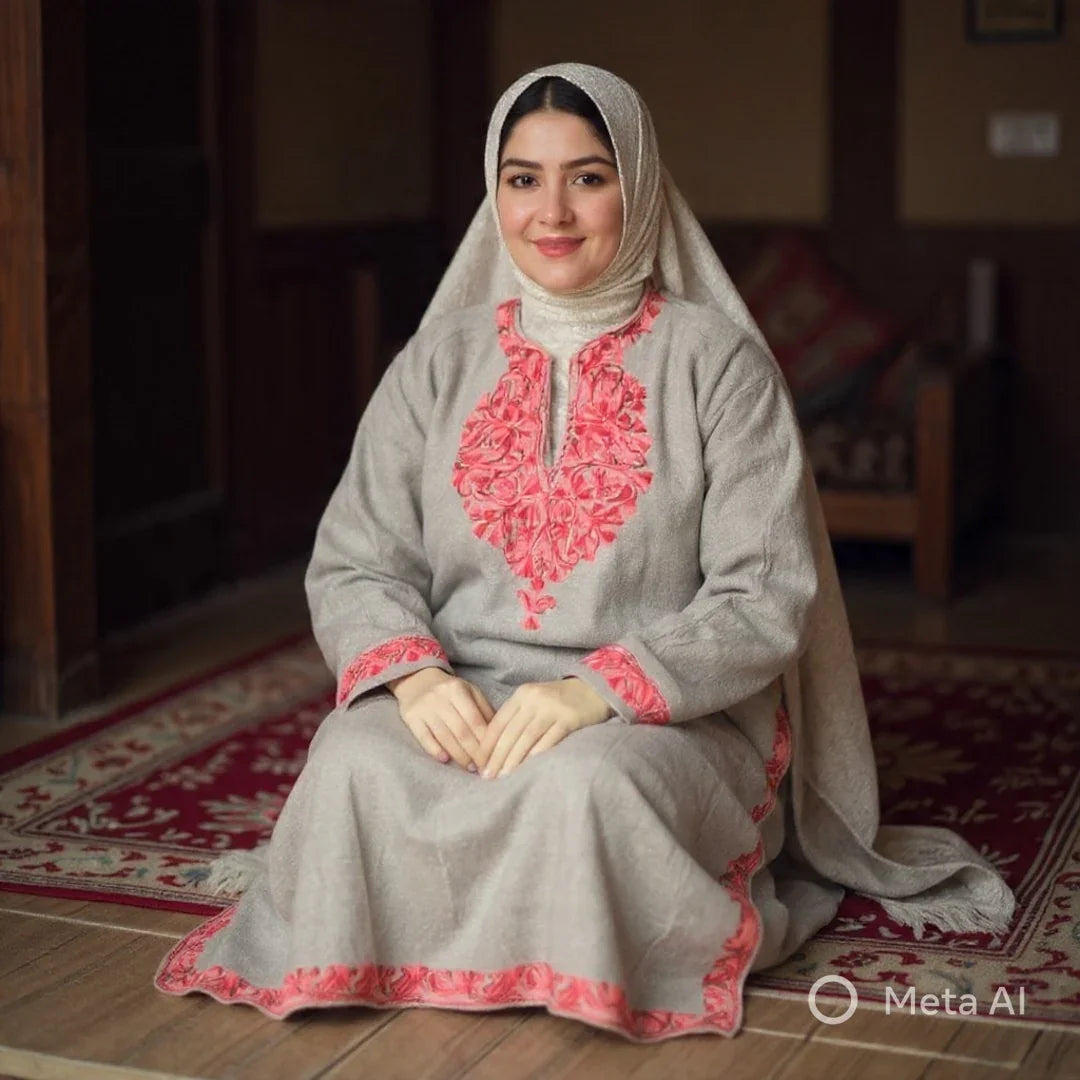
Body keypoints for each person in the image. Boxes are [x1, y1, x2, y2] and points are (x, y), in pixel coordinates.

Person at [154, 62, 1014, 1042]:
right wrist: (414, 679)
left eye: (588, 176)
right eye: (522, 178)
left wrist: (593, 691)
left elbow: (763, 591)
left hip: (661, 721)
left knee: (581, 787)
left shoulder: (717, 366)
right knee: (352, 757)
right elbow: (357, 556)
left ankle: (574, 952)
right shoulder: (439, 361)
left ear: (639, 184)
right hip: (469, 702)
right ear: (496, 192)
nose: (551, 211)